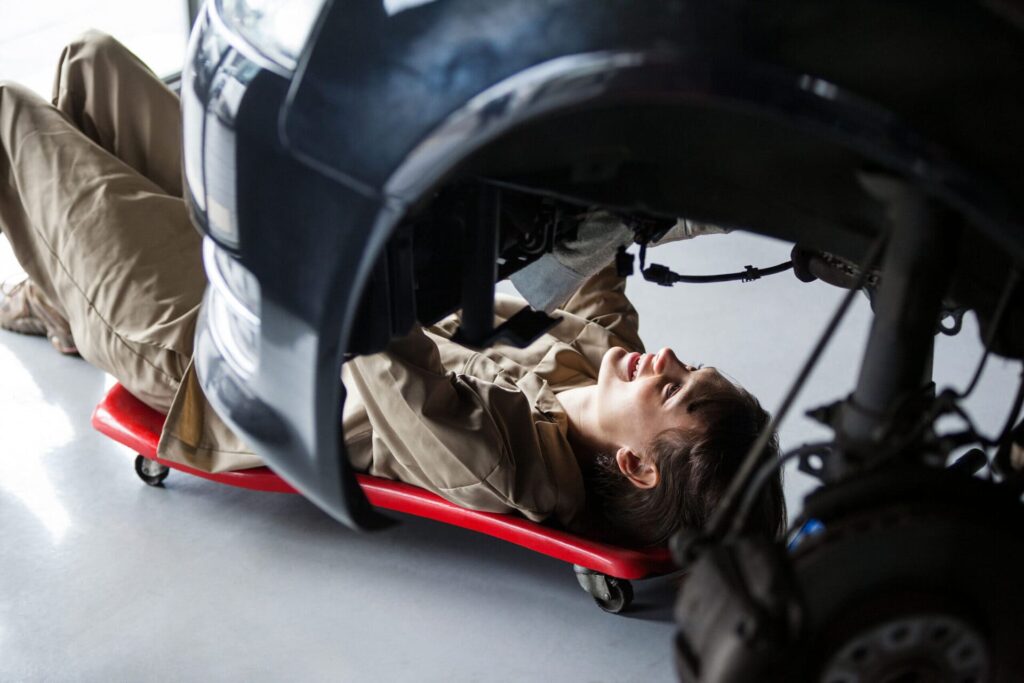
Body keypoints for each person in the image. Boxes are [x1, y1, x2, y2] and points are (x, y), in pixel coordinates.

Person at [0, 32, 785, 547]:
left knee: (10, 113)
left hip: (213, 343)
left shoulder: (498, 461)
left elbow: (375, 341)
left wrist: (371, 184)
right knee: (89, 63)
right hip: (287, 277)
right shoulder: (606, 376)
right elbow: (597, 279)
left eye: (677, 386)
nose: (669, 357)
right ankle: (63, 290)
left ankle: (72, 292)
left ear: (638, 467)